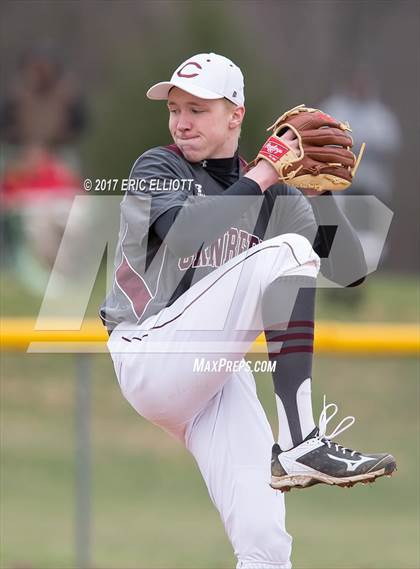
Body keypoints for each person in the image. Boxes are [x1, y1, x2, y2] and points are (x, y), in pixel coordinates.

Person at [101, 53, 396, 568]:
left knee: (266, 542)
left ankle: (294, 453)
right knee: (286, 252)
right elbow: (183, 236)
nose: (181, 121)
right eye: (174, 109)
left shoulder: (272, 187)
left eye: (197, 108)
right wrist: (264, 173)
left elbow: (350, 272)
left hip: (215, 375)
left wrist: (316, 192)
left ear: (235, 114)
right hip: (150, 351)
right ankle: (300, 443)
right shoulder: (158, 165)